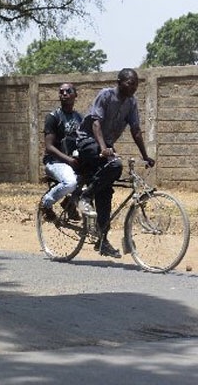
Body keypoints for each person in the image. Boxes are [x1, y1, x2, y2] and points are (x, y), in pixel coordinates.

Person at [76, 68, 155, 258]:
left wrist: (145, 155)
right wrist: (103, 148)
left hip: (106, 146)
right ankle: (85, 197)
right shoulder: (106, 95)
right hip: (87, 141)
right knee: (115, 166)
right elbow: (95, 123)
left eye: (136, 84)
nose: (134, 87)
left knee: (106, 193)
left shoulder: (131, 102)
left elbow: (135, 130)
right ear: (119, 82)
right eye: (130, 83)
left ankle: (102, 241)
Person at [39, 83, 83, 222]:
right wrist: (69, 160)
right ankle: (46, 203)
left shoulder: (79, 118)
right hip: (55, 162)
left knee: (96, 180)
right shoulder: (53, 117)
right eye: (61, 92)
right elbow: (49, 147)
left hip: (73, 162)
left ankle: (69, 203)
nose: (64, 94)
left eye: (68, 91)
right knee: (70, 183)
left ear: (75, 95)